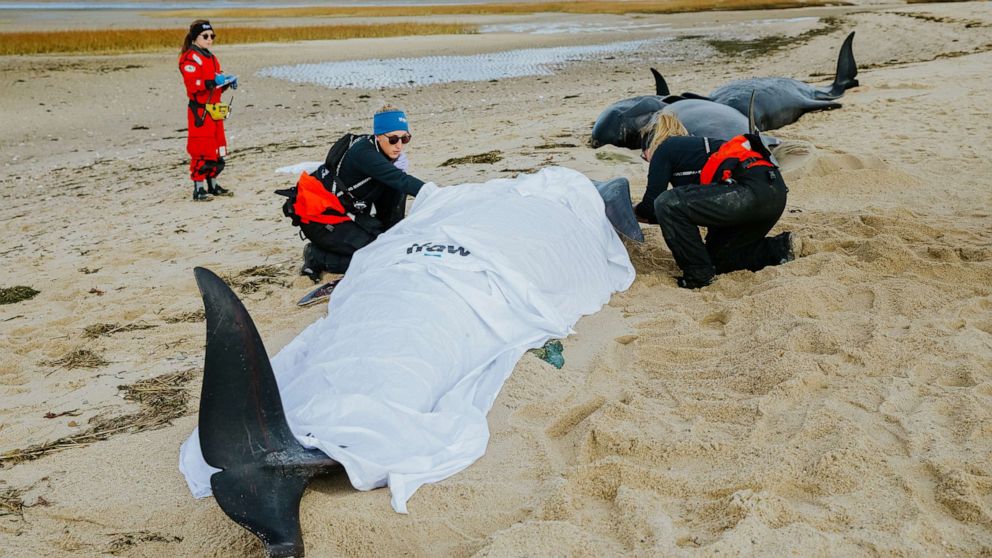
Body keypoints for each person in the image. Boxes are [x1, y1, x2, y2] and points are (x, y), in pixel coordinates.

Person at [635, 113, 799, 289]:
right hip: (774, 194)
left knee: (667, 203)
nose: (647, 160)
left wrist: (630, 212)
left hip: (748, 192)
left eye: (644, 156)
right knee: (717, 258)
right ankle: (779, 248)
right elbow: (702, 205)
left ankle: (698, 275)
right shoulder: (697, 151)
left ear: (650, 143)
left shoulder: (665, 148)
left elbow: (653, 206)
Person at [296, 105, 425, 280]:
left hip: (349, 212)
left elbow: (397, 185)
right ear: (379, 136)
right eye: (393, 139)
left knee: (390, 244)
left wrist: (392, 239)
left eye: (405, 139)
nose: (399, 146)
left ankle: (389, 237)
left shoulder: (390, 156)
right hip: (319, 218)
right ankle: (316, 256)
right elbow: (403, 181)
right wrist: (442, 195)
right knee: (376, 258)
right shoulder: (364, 153)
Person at [178, 20, 237, 202]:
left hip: (215, 109)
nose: (210, 39)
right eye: (205, 36)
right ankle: (198, 188)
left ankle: (213, 184)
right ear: (195, 37)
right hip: (200, 111)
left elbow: (215, 84)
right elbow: (193, 84)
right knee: (201, 147)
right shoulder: (189, 58)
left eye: (212, 36)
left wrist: (226, 83)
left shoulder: (211, 57)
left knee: (218, 146)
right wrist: (210, 82)